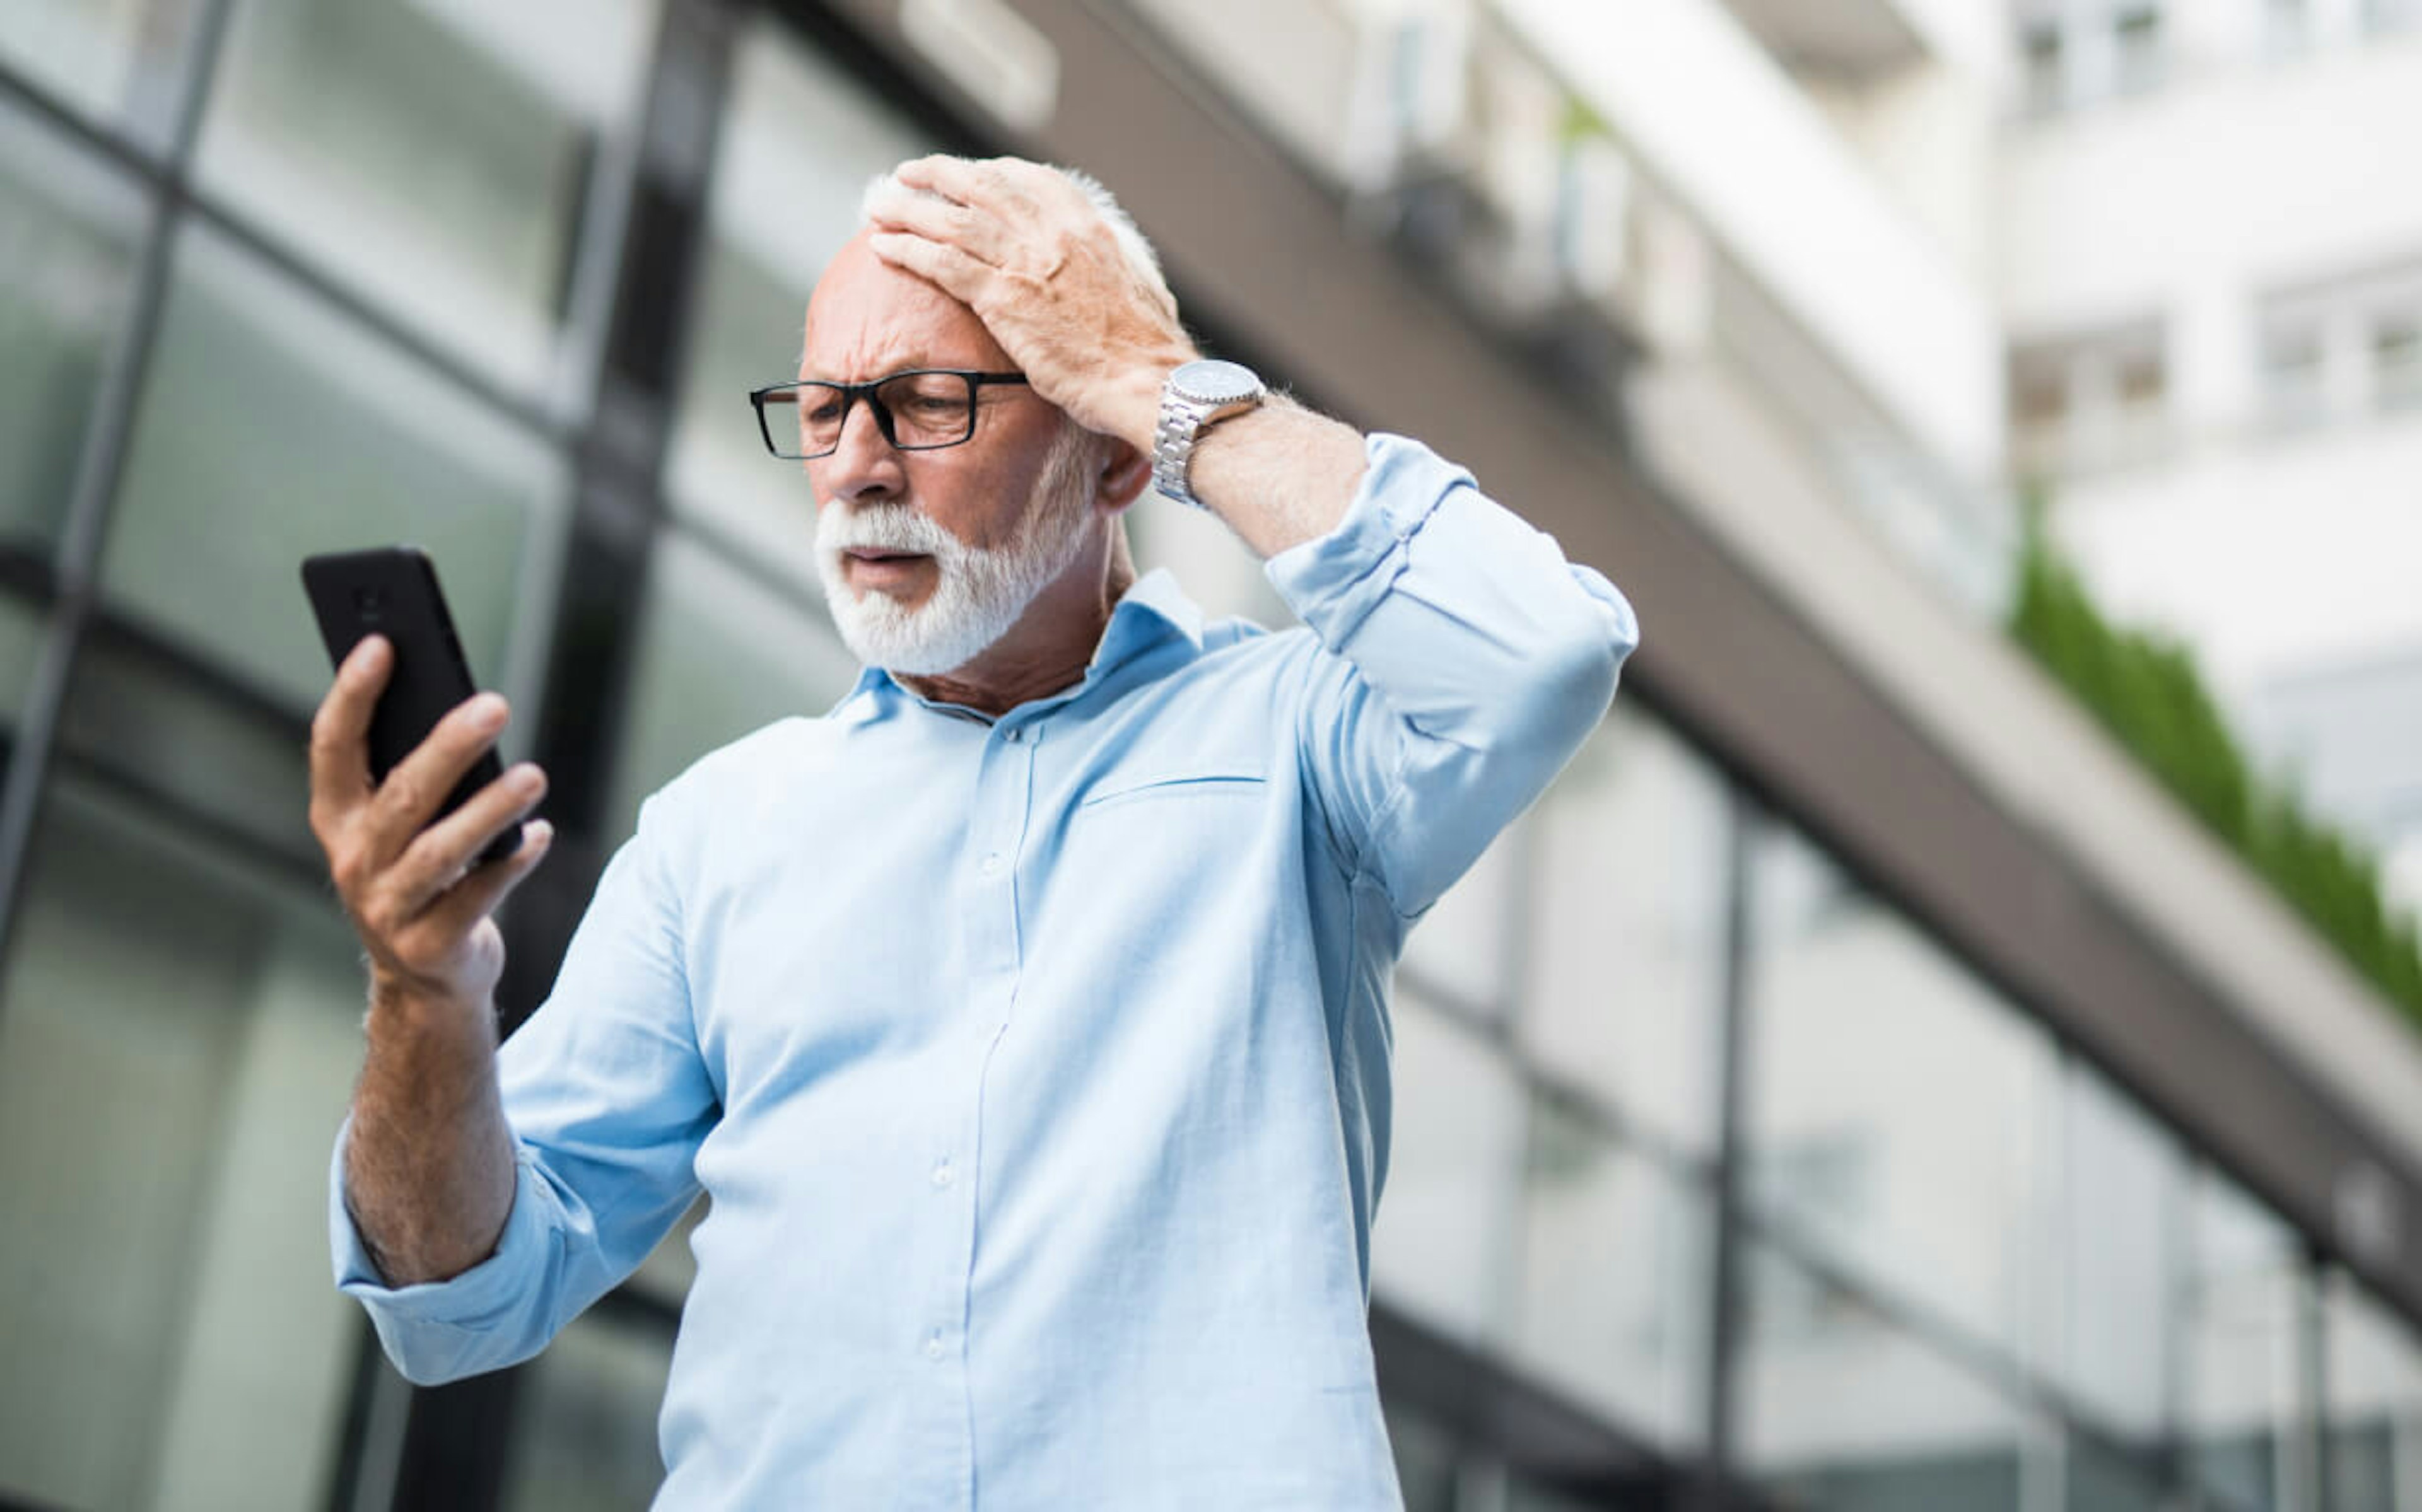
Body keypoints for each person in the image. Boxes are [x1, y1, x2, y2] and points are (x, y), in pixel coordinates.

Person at [313, 154, 1638, 1509]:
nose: (856, 467)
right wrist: (424, 993)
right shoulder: (721, 830)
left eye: (928, 404)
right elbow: (457, 1291)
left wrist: (1158, 376)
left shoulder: (1298, 744)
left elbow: (1538, 657)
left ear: (1113, 449)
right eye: (824, 410)